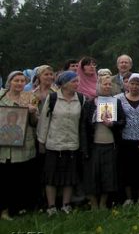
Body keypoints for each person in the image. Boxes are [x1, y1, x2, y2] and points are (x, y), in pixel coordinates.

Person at [37, 71, 84, 215]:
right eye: (74, 81)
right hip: (54, 143)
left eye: (78, 81)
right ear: (64, 84)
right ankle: (51, 206)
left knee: (69, 177)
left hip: (72, 144)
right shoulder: (53, 98)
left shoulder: (81, 99)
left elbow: (81, 123)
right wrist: (42, 142)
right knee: (51, 177)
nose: (77, 84)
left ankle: (66, 204)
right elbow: (44, 122)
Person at [80, 74, 125, 210]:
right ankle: (93, 203)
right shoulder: (89, 104)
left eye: (109, 84)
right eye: (104, 84)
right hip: (94, 145)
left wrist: (113, 124)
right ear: (98, 86)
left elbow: (123, 121)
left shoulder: (116, 102)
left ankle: (103, 203)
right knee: (92, 175)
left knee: (108, 175)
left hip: (110, 144)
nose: (107, 86)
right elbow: (83, 126)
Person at [0, 71, 39, 219]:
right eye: (16, 80)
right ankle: (3, 210)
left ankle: (17, 208)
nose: (19, 83)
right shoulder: (1, 97)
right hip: (4, 146)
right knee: (4, 179)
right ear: (10, 82)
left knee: (20, 177)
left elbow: (35, 123)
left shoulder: (31, 98)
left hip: (23, 144)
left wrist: (33, 112)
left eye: (22, 81)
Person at [116, 73, 139, 206]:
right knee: (126, 169)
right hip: (125, 139)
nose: (134, 86)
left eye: (138, 84)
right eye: (132, 83)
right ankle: (128, 198)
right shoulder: (118, 99)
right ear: (127, 84)